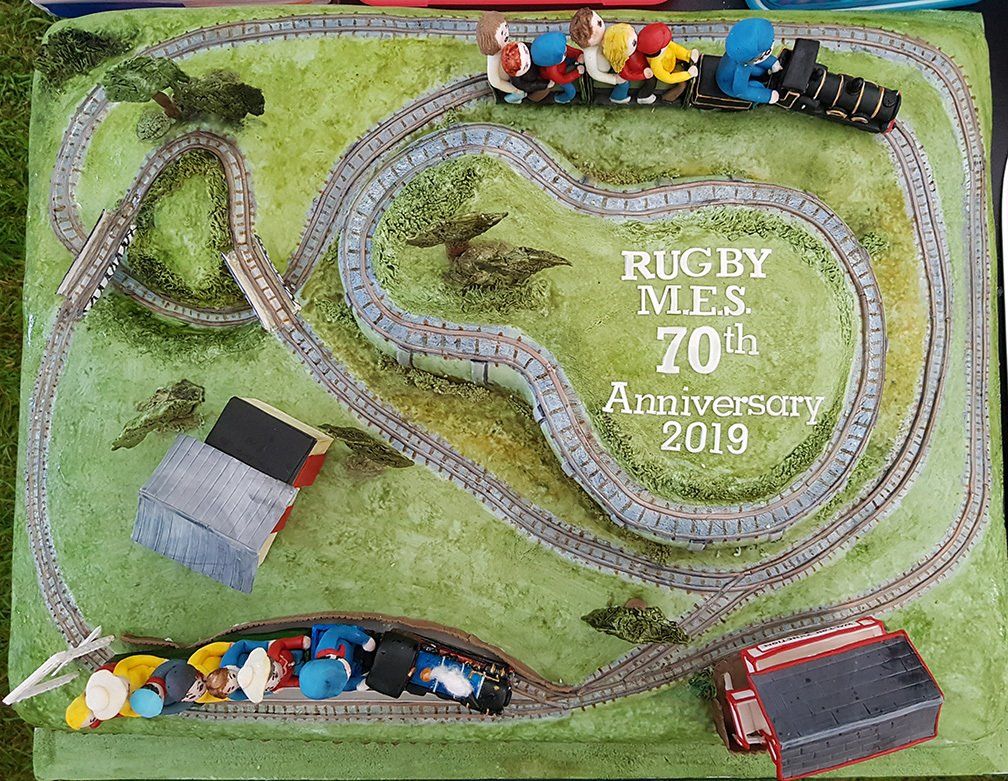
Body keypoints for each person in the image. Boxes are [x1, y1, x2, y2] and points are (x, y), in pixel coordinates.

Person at [298, 624, 377, 700]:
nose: (348, 672)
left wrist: (364, 639)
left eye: (344, 668)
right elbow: (347, 685)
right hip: (359, 666)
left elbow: (337, 631)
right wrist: (359, 684)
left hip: (352, 643)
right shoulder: (337, 683)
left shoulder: (329, 645)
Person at [715, 18, 782, 105]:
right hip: (730, 84)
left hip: (743, 62)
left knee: (759, 71)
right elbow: (740, 91)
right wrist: (767, 96)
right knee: (757, 85)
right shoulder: (744, 64)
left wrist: (772, 63)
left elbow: (759, 57)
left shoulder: (740, 49)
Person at [636, 22, 698, 104]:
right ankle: (666, 99)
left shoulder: (665, 45)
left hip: (673, 62)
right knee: (682, 85)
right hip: (669, 71)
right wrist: (688, 74)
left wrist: (688, 55)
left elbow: (676, 49)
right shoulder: (655, 64)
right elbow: (668, 78)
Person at [568, 9, 625, 94]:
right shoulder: (589, 52)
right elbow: (594, 73)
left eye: (599, 23)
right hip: (605, 68)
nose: (601, 30)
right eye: (594, 35)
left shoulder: (604, 35)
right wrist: (614, 79)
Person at [129, 659, 206, 718]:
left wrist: (186, 670)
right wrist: (190, 701)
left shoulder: (160, 674)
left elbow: (177, 663)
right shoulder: (158, 708)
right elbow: (177, 708)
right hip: (190, 697)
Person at [477, 11, 525, 104]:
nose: (507, 34)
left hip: (513, 71)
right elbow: (495, 81)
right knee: (520, 94)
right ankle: (511, 99)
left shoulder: (505, 46)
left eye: (506, 28)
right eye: (503, 33)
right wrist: (513, 90)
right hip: (506, 81)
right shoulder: (493, 58)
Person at [601, 24, 650, 105]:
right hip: (628, 75)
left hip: (640, 66)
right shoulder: (621, 62)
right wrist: (643, 75)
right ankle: (617, 98)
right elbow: (627, 75)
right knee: (624, 84)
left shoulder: (633, 50)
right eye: (633, 43)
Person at [530, 32, 584, 105]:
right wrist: (577, 73)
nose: (566, 49)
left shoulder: (559, 49)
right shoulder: (551, 70)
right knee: (571, 92)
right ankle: (560, 99)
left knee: (570, 59)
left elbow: (569, 50)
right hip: (558, 76)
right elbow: (562, 80)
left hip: (562, 63)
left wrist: (579, 54)